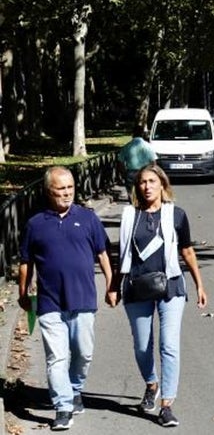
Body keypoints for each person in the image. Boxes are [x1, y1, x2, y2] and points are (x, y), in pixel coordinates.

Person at [17, 166, 114, 430]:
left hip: (83, 300)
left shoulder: (88, 217)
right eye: (61, 189)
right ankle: (62, 406)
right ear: (49, 191)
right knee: (56, 358)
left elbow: (103, 253)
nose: (67, 193)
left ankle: (75, 389)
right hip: (49, 303)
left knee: (84, 354)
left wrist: (110, 284)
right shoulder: (35, 224)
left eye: (70, 188)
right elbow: (25, 262)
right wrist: (23, 293)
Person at [114, 164, 207, 427]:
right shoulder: (130, 216)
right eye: (142, 182)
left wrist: (199, 284)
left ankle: (167, 404)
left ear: (162, 185)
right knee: (142, 346)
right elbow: (123, 255)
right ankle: (151, 383)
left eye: (152, 181)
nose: (147, 187)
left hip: (171, 286)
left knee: (169, 345)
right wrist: (113, 286)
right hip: (137, 285)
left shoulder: (176, 215)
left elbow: (187, 251)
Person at [118, 125, 157, 201]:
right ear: (142, 134)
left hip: (131, 173)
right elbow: (153, 162)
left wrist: (124, 174)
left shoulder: (127, 146)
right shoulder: (148, 146)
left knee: (131, 194)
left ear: (132, 134)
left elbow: (120, 162)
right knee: (144, 193)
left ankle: (133, 207)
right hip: (145, 172)